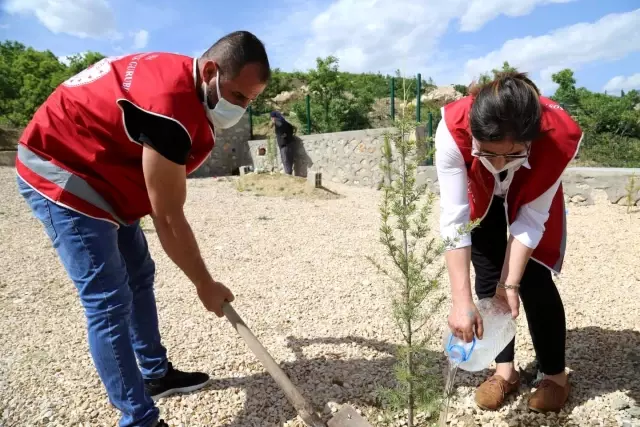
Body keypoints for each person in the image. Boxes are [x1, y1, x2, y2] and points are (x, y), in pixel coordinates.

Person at [15, 31, 270, 427]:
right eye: (238, 96)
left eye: (250, 101)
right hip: (63, 169)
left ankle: (154, 374)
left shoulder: (181, 81)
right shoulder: (168, 110)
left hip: (104, 167)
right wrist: (205, 282)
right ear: (209, 71)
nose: (241, 108)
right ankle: (138, 420)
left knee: (139, 273)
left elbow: (158, 203)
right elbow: (167, 217)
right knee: (108, 300)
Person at [435, 72, 582, 413]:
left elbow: (531, 220)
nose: (499, 163)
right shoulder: (452, 129)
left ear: (530, 140)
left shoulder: (557, 138)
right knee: (486, 271)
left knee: (532, 276)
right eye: (489, 152)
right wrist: (461, 301)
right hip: (482, 191)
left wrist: (511, 283)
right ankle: (505, 371)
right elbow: (456, 220)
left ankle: (555, 376)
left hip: (529, 185)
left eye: (512, 153)